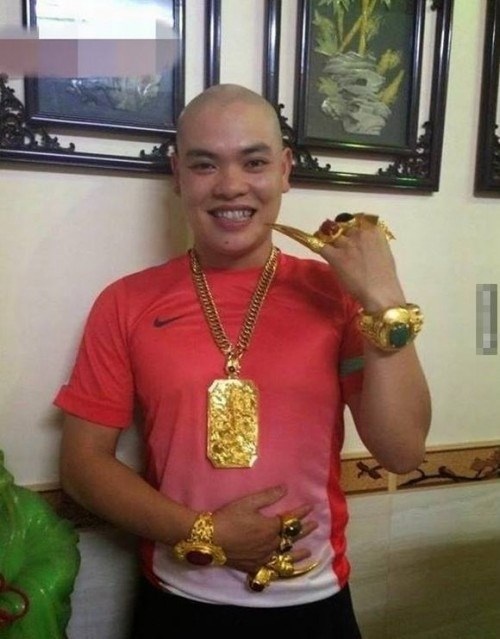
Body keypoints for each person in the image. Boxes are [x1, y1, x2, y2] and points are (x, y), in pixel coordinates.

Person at [55, 83, 431, 638]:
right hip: (177, 603)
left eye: (253, 162)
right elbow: (82, 465)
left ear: (284, 170)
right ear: (177, 174)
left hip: (313, 603)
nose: (231, 185)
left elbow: (402, 452)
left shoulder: (338, 297)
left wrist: (385, 300)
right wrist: (204, 532)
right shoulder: (126, 302)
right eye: (204, 164)